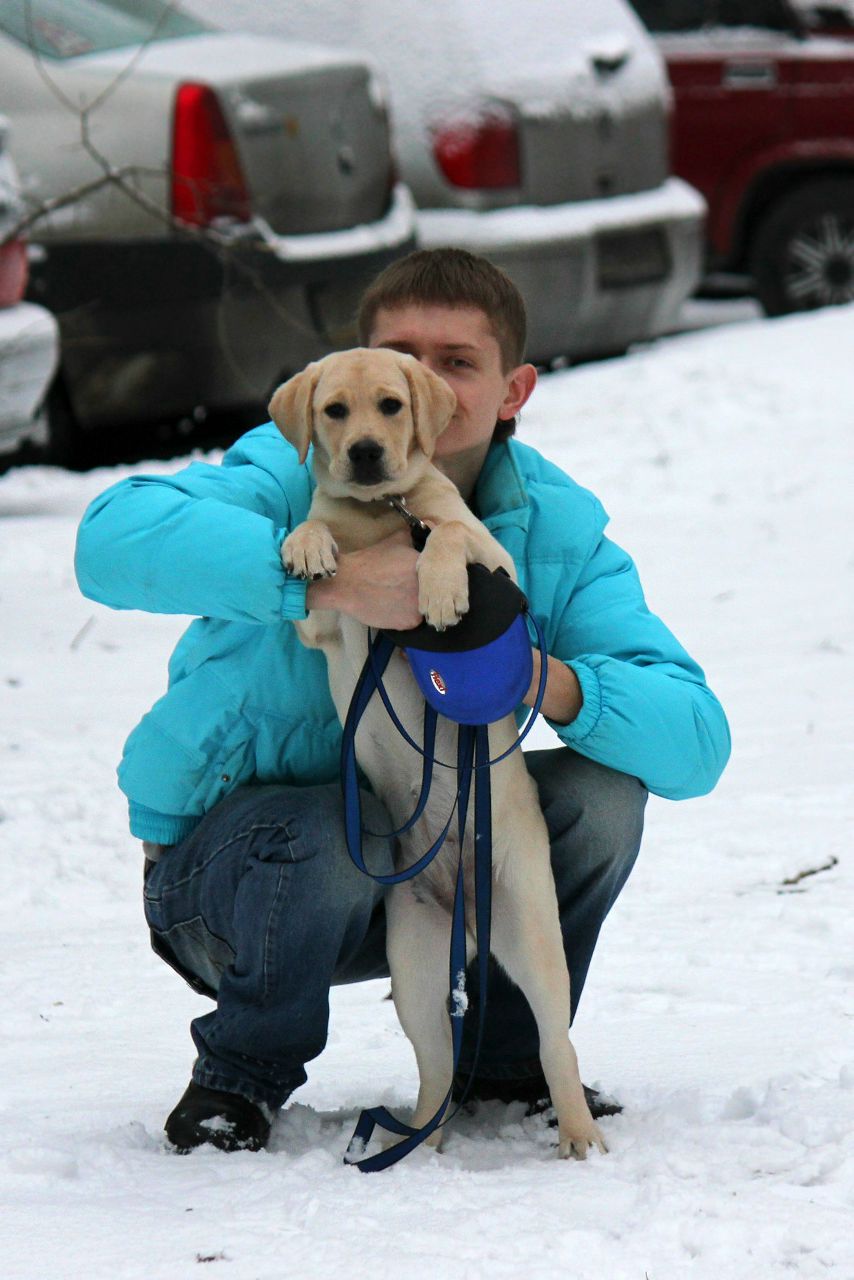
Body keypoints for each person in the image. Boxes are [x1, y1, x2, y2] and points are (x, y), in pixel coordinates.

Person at [75, 249, 730, 1153]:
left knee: (603, 799)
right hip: (235, 887)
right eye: (394, 360)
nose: (411, 391)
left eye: (455, 363)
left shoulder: (552, 524)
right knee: (329, 829)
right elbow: (111, 542)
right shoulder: (288, 471)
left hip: (430, 869)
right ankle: (242, 1074)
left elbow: (697, 740)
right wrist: (327, 582)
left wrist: (539, 676)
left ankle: (503, 1060)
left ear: (513, 391)